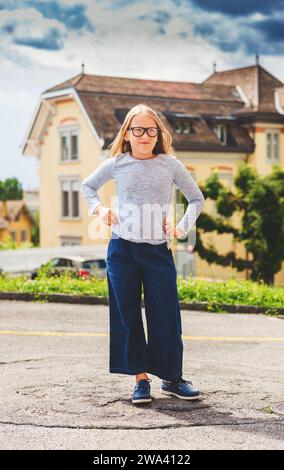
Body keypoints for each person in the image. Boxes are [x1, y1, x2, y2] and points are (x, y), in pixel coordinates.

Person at [80, 103, 205, 405]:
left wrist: (179, 228)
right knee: (128, 315)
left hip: (157, 252)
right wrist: (100, 209)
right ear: (128, 133)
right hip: (121, 250)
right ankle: (140, 380)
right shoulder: (117, 163)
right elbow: (88, 187)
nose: (145, 135)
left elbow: (196, 199)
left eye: (151, 130)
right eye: (138, 129)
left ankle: (172, 379)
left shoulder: (170, 164)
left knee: (166, 316)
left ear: (158, 134)